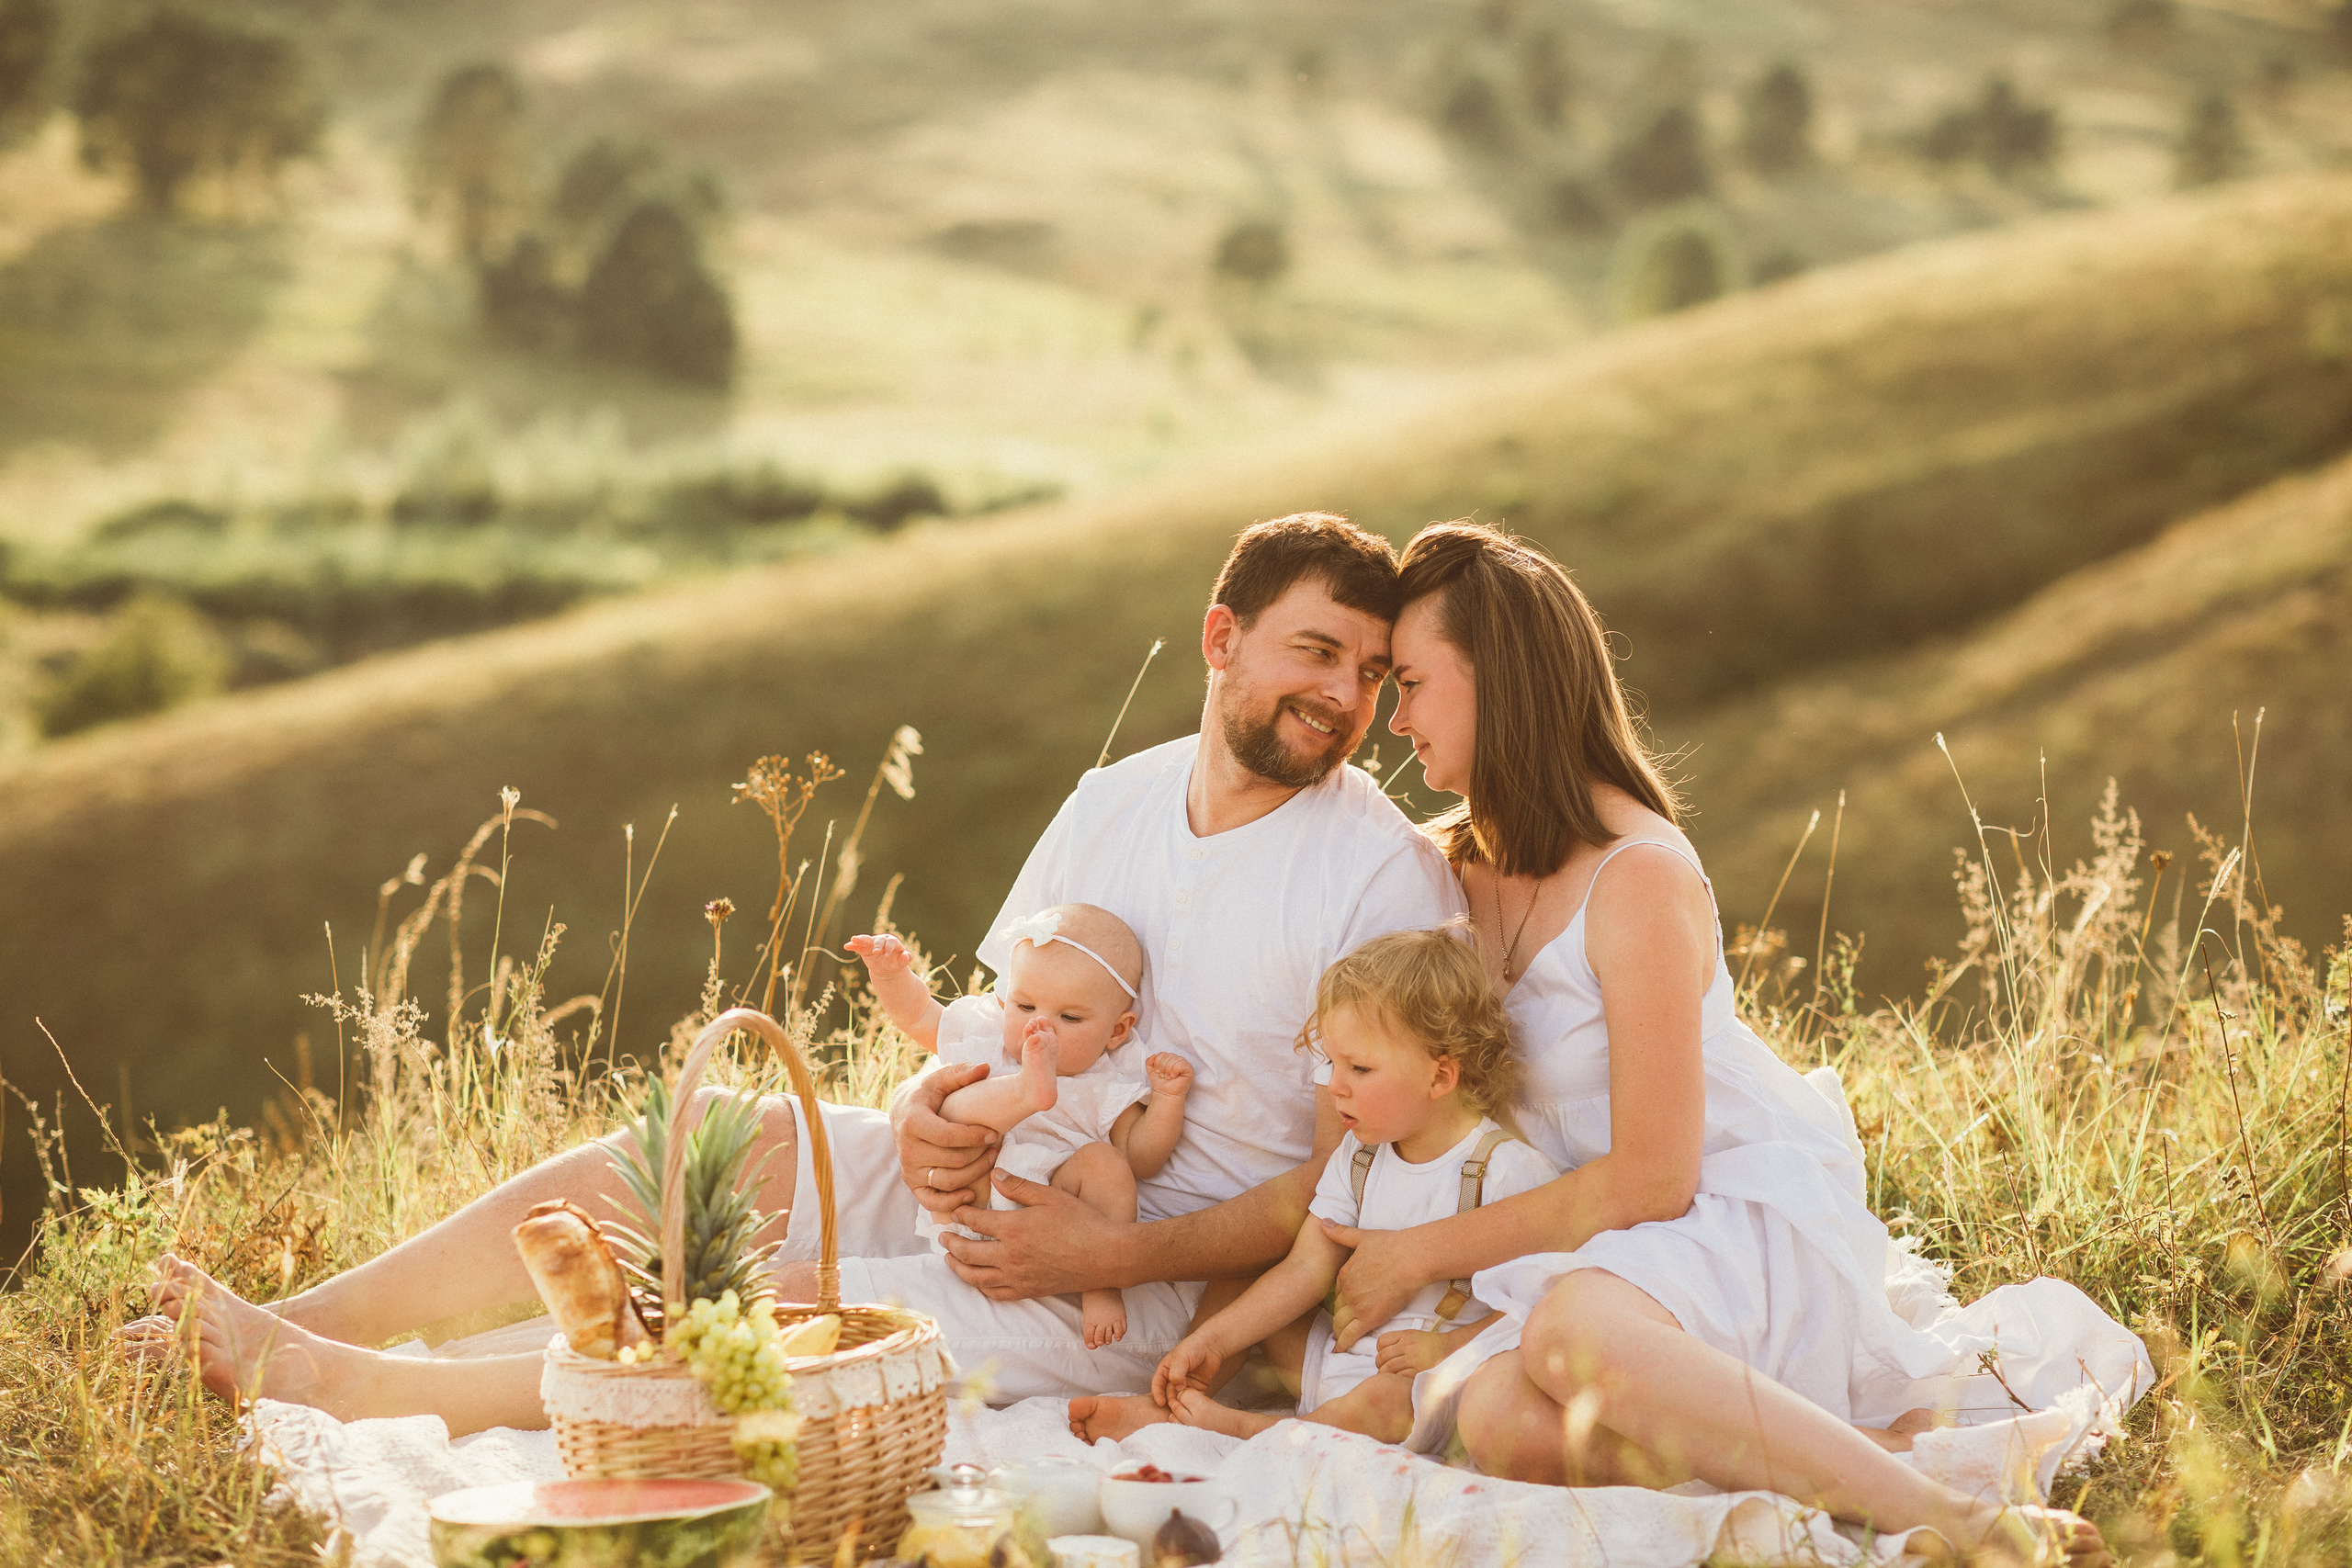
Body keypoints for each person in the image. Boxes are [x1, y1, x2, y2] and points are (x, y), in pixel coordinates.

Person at [128, 511, 1464, 1428]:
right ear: (1223, 638)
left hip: (1147, 1280)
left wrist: (1109, 1247)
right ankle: (301, 1316)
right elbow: (992, 1016)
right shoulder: (1115, 796)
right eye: (1314, 651)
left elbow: (1350, 1181)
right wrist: (933, 1109)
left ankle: (359, 1388)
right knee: (714, 1137)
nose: (1343, 697)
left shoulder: (1378, 877)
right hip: (1003, 1166)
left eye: (1367, 671)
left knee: (779, 1312)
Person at [1319, 519, 2126, 1561]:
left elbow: (1655, 1178)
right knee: (1500, 1419)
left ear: (1501, 683)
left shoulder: (1636, 878)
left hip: (1720, 1211)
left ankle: (1955, 1521)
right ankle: (1862, 1460)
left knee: (1571, 1337)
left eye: (1412, 684)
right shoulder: (1451, 870)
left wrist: (1415, 1253)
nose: (1393, 721)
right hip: (1591, 1247)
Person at [1149, 926, 1556, 1445]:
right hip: (1337, 1357)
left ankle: (1260, 1431)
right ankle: (1189, 1401)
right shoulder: (1359, 1156)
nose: (1335, 1086)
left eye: (1360, 1068)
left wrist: (1446, 1350)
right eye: (1331, 1063)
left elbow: (1535, 1308)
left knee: (1386, 1400)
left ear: (1440, 1077)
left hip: (1421, 1381)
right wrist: (1213, 1340)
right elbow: (1305, 1268)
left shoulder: (1505, 1171)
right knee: (1252, 1277)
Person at [843, 904, 1194, 1348]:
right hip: (977, 1189)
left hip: (1061, 1219)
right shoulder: (989, 1040)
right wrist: (891, 976)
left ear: (1117, 1031)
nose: (1039, 1025)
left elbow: (1141, 1158)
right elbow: (919, 1017)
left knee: (1106, 1164)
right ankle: (1025, 1089)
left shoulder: (1106, 1082)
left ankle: (1102, 1287)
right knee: (961, 1102)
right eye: (1025, 1005)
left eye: (1070, 1018)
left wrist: (1167, 1101)